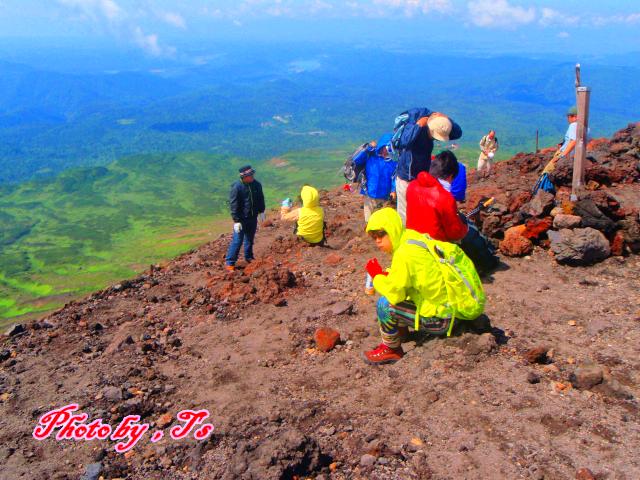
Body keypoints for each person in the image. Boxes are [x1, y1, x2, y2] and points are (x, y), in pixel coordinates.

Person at [363, 208, 485, 365]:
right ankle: (402, 334)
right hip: (454, 309)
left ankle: (391, 349)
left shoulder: (404, 255)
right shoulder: (411, 238)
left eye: (381, 234)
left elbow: (395, 295)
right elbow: (408, 278)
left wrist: (377, 276)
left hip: (442, 320)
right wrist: (388, 275)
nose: (378, 241)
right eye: (374, 237)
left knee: (384, 305)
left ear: (392, 230)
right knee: (397, 293)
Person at [392, 108, 462, 224]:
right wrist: (418, 126)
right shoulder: (414, 124)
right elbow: (404, 142)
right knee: (405, 213)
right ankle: (405, 238)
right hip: (406, 176)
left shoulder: (437, 122)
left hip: (422, 177)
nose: (435, 138)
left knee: (420, 211)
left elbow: (458, 133)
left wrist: (446, 118)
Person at [405, 150, 468, 242]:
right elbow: (455, 233)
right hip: (434, 247)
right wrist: (465, 228)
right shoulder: (445, 198)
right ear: (450, 176)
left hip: (412, 240)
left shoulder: (412, 185)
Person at [224, 165, 265, 271]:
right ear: (244, 177)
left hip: (252, 217)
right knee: (237, 241)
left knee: (249, 239)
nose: (252, 177)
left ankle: (249, 257)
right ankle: (230, 262)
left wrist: (261, 211)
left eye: (252, 174)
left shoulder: (256, 185)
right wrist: (236, 221)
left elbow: (260, 198)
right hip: (241, 220)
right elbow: (234, 205)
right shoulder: (237, 187)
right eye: (250, 175)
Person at [352, 133, 397, 221]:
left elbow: (394, 177)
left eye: (389, 149)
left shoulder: (393, 162)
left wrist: (393, 190)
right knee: (368, 220)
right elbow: (356, 160)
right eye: (385, 148)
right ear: (381, 146)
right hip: (369, 194)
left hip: (384, 197)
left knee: (380, 221)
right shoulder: (371, 156)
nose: (386, 151)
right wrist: (368, 148)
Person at [541, 106, 579, 175]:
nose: (568, 119)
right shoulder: (585, 127)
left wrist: (562, 156)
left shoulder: (574, 125)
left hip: (566, 154)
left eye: (568, 117)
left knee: (547, 173)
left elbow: (574, 141)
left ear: (574, 117)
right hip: (574, 156)